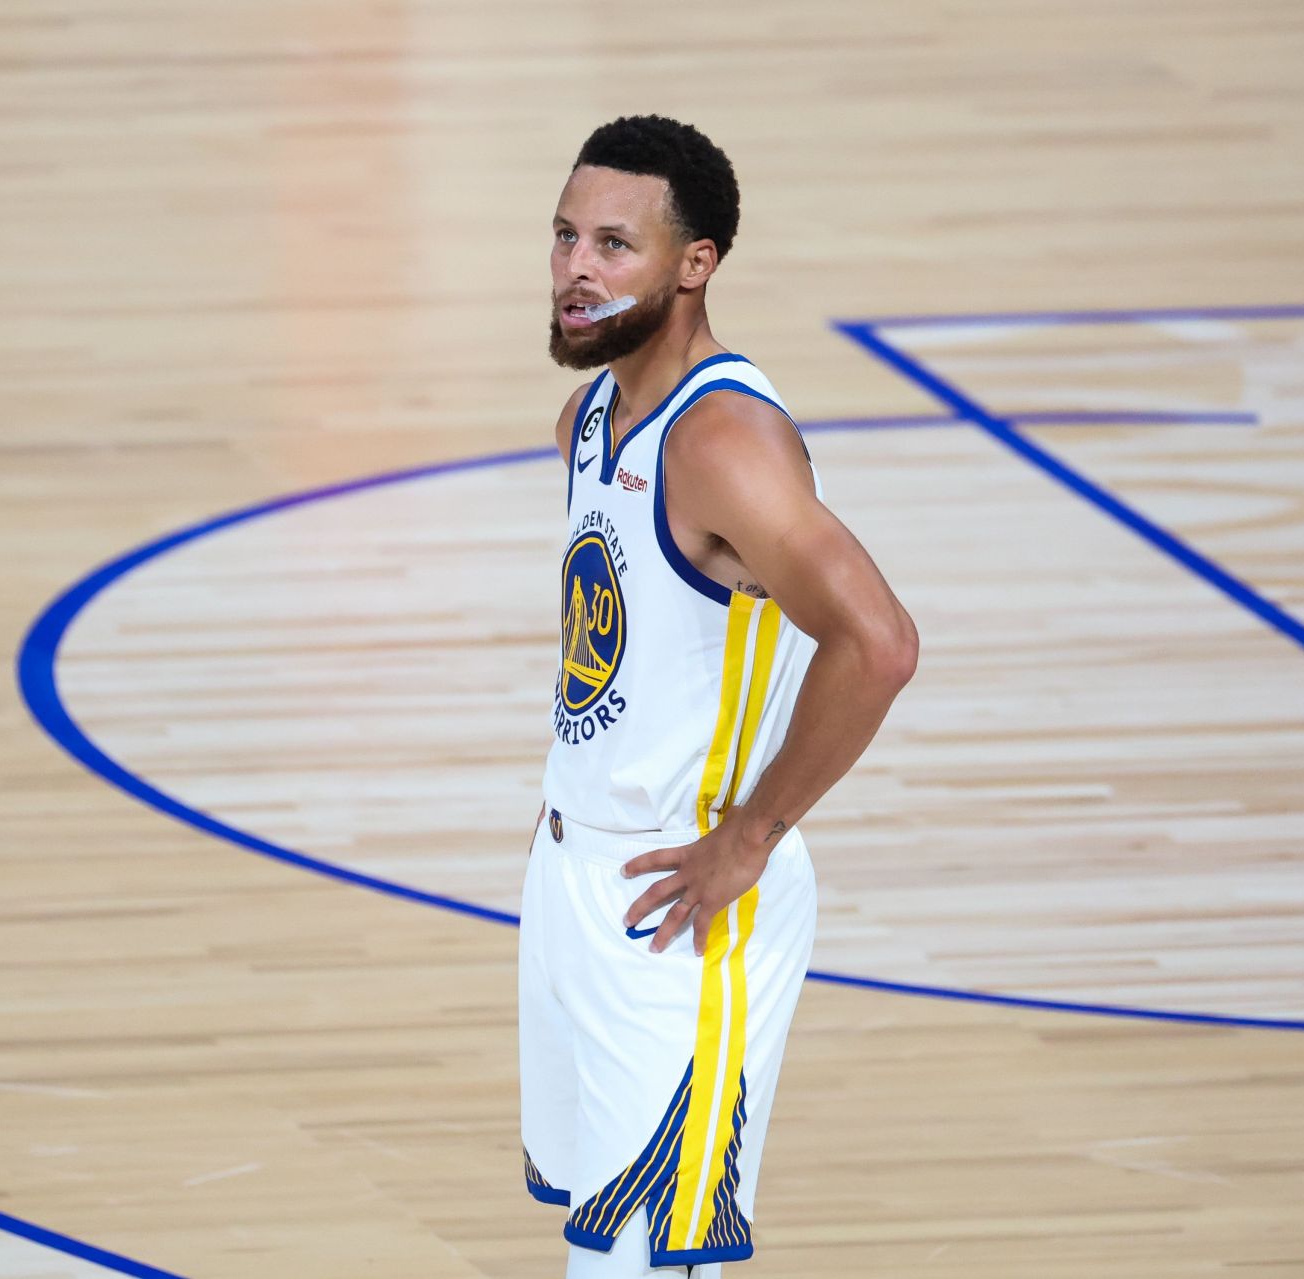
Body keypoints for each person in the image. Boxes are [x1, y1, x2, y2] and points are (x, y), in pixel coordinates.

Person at [522, 114, 920, 1278]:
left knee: (648, 1266)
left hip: (684, 896)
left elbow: (879, 643)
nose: (577, 270)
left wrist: (751, 835)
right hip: (576, 872)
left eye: (614, 245)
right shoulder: (590, 416)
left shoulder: (726, 440)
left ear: (695, 265)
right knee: (598, 1244)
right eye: (563, 237)